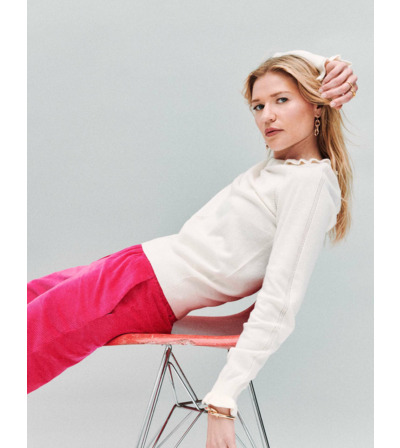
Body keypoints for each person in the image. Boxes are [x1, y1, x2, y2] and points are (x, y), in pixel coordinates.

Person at [27, 50, 357, 447]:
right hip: (133, 267)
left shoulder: (309, 184)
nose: (267, 116)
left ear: (317, 104)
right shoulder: (282, 168)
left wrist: (223, 401)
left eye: (281, 100)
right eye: (258, 106)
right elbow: (277, 61)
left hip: (141, 292)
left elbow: (280, 302)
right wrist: (328, 63)